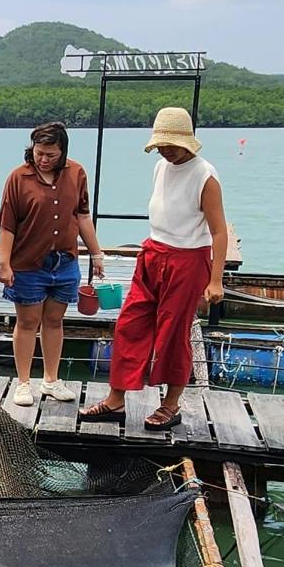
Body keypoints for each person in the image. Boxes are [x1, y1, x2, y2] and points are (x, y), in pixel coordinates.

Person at [79, 107, 230, 432]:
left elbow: (219, 232)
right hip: (154, 254)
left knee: (174, 335)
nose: (164, 150)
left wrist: (215, 279)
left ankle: (170, 404)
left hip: (189, 260)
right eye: (160, 144)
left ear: (187, 142)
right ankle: (116, 400)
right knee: (129, 324)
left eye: (170, 145)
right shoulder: (161, 168)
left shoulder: (206, 175)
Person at [0, 121, 104, 407]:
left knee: (55, 321)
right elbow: (7, 226)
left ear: (63, 152)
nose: (42, 160)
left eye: (50, 155)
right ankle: (22, 383)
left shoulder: (77, 173)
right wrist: (4, 263)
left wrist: (97, 254)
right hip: (28, 263)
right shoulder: (18, 178)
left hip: (65, 261)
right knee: (28, 322)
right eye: (38, 153)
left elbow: (82, 216)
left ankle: (51, 379)